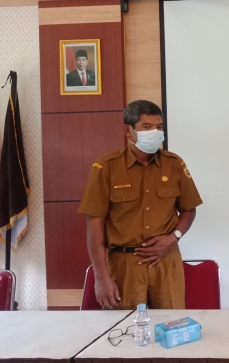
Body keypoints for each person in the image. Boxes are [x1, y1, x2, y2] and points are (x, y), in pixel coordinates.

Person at [78, 100, 202, 310]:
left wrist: (174, 237)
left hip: (166, 260)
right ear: (128, 131)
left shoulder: (174, 164)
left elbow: (189, 209)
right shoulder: (106, 167)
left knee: (171, 324)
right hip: (125, 264)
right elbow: (95, 224)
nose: (155, 132)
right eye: (147, 127)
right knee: (124, 327)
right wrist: (101, 277)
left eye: (159, 127)